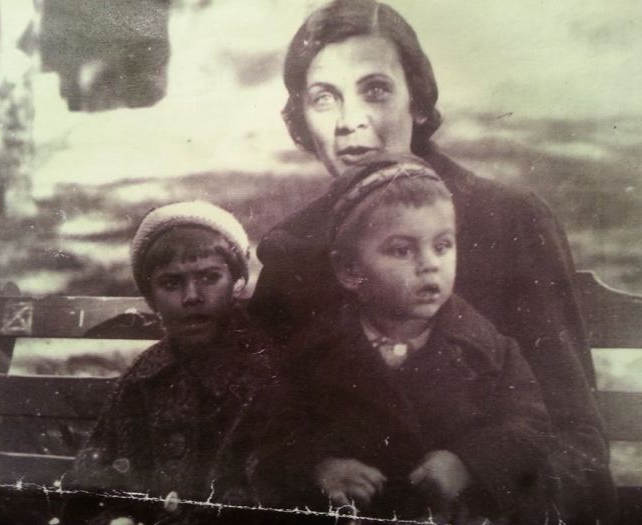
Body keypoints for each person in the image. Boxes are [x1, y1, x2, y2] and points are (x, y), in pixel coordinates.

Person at [248, 0, 616, 523]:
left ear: (418, 102)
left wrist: (480, 481)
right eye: (324, 98)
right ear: (303, 118)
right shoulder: (294, 248)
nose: (350, 122)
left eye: (376, 90)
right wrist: (315, 467)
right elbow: (261, 424)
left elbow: (576, 439)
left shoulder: (508, 221)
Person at [288, 155, 554, 524]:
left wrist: (467, 463)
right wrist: (320, 467)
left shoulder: (488, 348)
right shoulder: (314, 353)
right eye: (402, 250)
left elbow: (528, 425)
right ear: (350, 270)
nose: (430, 264)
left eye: (442, 245)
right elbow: (273, 432)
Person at [64, 201, 293, 525]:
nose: (192, 296)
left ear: (236, 283)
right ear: (151, 298)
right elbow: (91, 485)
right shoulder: (145, 378)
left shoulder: (264, 370)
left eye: (210, 277)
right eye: (171, 283)